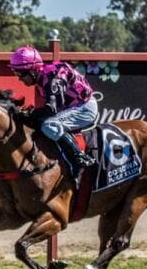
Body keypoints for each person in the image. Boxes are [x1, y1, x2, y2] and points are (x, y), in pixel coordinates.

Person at [9, 45, 98, 184]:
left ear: (33, 70)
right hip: (72, 107)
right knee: (40, 123)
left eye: (20, 73)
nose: (19, 78)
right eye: (16, 73)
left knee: (49, 125)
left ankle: (79, 158)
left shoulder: (52, 77)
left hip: (85, 108)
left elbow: (51, 110)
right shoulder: (42, 77)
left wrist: (27, 115)